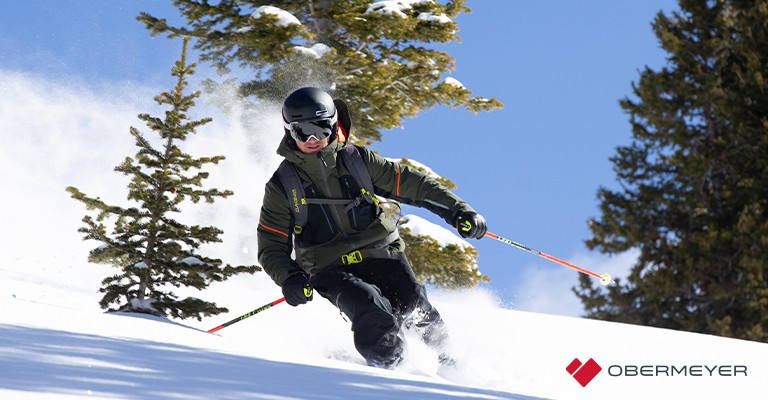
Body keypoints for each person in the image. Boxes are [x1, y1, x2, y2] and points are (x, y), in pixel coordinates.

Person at [257, 87, 487, 369]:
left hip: (382, 253)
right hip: (330, 268)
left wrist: (457, 210)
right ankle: (390, 374)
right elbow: (271, 245)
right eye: (303, 131)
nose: (314, 138)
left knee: (413, 305)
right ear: (289, 132)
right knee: (370, 307)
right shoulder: (283, 184)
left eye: (320, 127)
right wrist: (290, 278)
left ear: (333, 124)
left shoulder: (357, 162)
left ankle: (455, 368)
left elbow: (413, 185)